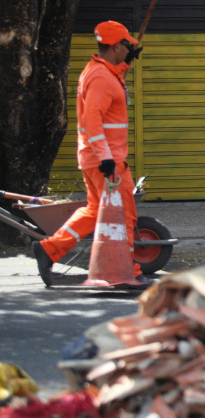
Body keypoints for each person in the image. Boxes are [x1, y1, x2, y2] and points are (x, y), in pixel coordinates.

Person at [32, 20, 147, 286]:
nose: (128, 46)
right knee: (123, 214)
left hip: (96, 156)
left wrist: (127, 62)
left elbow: (112, 87)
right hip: (106, 159)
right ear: (116, 46)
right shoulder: (100, 77)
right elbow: (93, 120)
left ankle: (50, 249)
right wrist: (106, 158)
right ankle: (125, 271)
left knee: (97, 210)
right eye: (126, 44)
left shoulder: (101, 71)